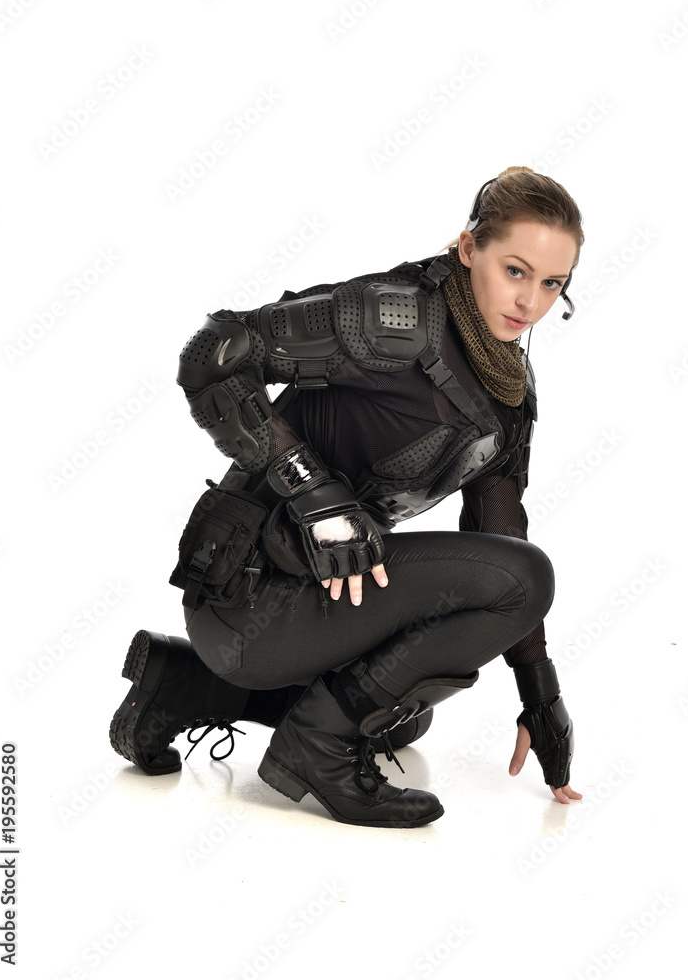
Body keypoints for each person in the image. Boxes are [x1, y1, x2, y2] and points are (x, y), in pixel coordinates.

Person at [110, 165, 584, 828]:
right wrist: (319, 500)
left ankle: (184, 684)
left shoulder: (507, 395)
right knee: (517, 585)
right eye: (514, 270)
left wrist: (539, 694)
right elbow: (215, 353)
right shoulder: (395, 318)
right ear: (468, 248)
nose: (528, 300)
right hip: (249, 592)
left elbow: (500, 542)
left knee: (402, 717)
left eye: (551, 283)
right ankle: (315, 748)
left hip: (320, 608)